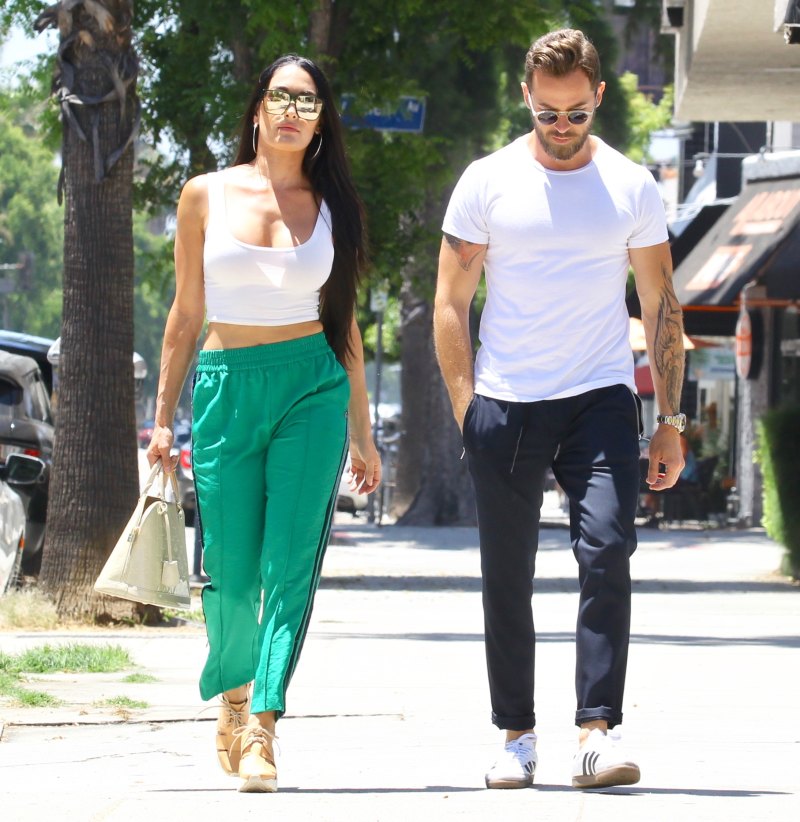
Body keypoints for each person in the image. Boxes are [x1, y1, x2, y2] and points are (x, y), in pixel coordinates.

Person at [433, 29, 686, 790]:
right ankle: (515, 736)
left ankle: (596, 734)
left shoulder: (632, 186)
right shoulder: (487, 181)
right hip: (507, 401)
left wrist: (668, 418)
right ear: (526, 98)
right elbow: (449, 302)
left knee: (607, 551)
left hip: (601, 399)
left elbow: (661, 303)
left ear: (598, 97)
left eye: (576, 113)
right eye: (548, 113)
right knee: (506, 574)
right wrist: (465, 409)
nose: (562, 127)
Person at [147, 53, 380, 794]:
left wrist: (365, 432)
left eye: (307, 102)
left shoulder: (334, 206)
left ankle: (265, 727)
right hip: (223, 392)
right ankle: (235, 694)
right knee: (232, 573)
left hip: (311, 390)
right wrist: (160, 422)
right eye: (281, 97)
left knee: (288, 568)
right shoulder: (204, 196)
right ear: (257, 108)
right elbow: (185, 317)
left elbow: (345, 328)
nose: (291, 111)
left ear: (321, 120)